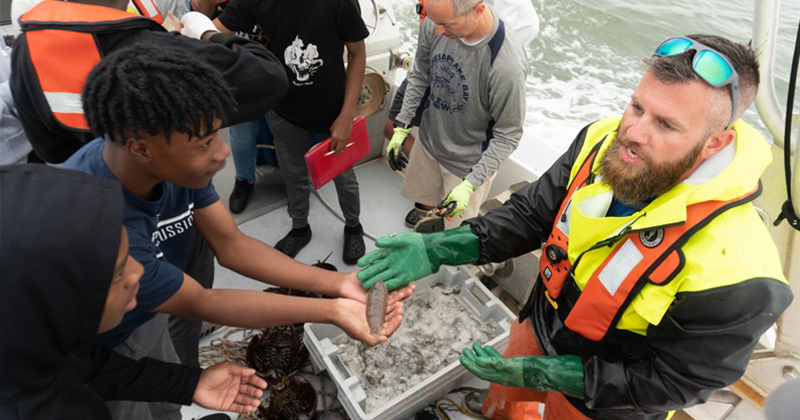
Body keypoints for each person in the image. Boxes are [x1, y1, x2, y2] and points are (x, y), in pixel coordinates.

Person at [358, 34, 795, 420]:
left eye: (665, 124)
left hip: (606, 398)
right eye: (636, 107)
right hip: (536, 326)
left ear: (715, 142)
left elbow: (680, 380)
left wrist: (560, 375)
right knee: (504, 403)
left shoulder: (741, 272)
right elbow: (531, 214)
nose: (633, 133)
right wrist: (442, 247)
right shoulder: (600, 139)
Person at [62, 44, 411, 420]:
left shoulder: (173, 164)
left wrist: (340, 284)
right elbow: (203, 302)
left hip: (147, 311)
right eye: (205, 143)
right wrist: (333, 312)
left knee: (168, 395)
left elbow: (232, 245)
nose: (223, 152)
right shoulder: (101, 225)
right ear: (141, 149)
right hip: (93, 351)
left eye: (217, 134)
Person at [0, 164, 268, 420]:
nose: (137, 273)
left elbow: (89, 365)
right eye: (118, 274)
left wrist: (191, 384)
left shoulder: (26, 343)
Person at [9, 0, 287, 164]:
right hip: (171, 185)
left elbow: (50, 151)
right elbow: (268, 76)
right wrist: (207, 34)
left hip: (90, 198)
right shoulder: (155, 52)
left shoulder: (26, 49)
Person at [209, 0, 369, 263]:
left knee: (344, 178)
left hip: (333, 112)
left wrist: (347, 115)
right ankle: (300, 228)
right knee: (293, 175)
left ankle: (354, 226)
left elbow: (357, 53)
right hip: (285, 110)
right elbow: (212, 30)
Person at [383, 0, 538, 232]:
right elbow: (420, 74)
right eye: (435, 22)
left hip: (468, 163)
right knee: (424, 198)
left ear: (478, 9)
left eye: (447, 25)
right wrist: (402, 125)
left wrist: (470, 184)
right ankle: (426, 214)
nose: (437, 32)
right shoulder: (436, 22)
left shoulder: (507, 66)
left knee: (453, 234)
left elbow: (508, 135)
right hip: (429, 142)